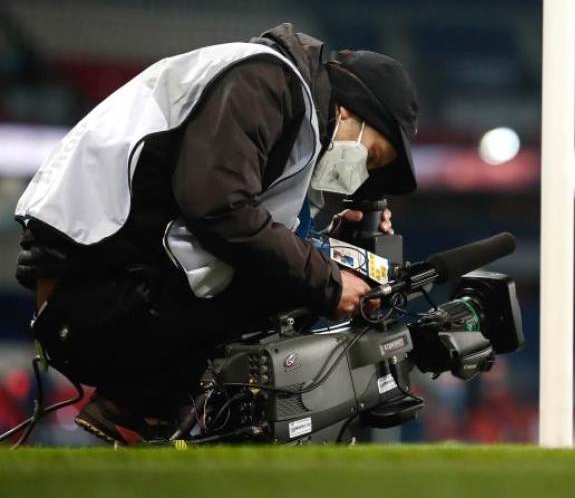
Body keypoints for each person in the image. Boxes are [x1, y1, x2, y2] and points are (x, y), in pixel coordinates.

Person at [13, 23, 420, 444]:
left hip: (105, 276)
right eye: (371, 156)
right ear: (351, 110)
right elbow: (219, 209)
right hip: (90, 288)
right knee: (292, 280)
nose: (362, 172)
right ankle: (152, 406)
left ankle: (141, 410)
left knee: (298, 271)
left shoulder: (285, 107)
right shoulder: (268, 83)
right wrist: (330, 281)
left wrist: (330, 246)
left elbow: (239, 221)